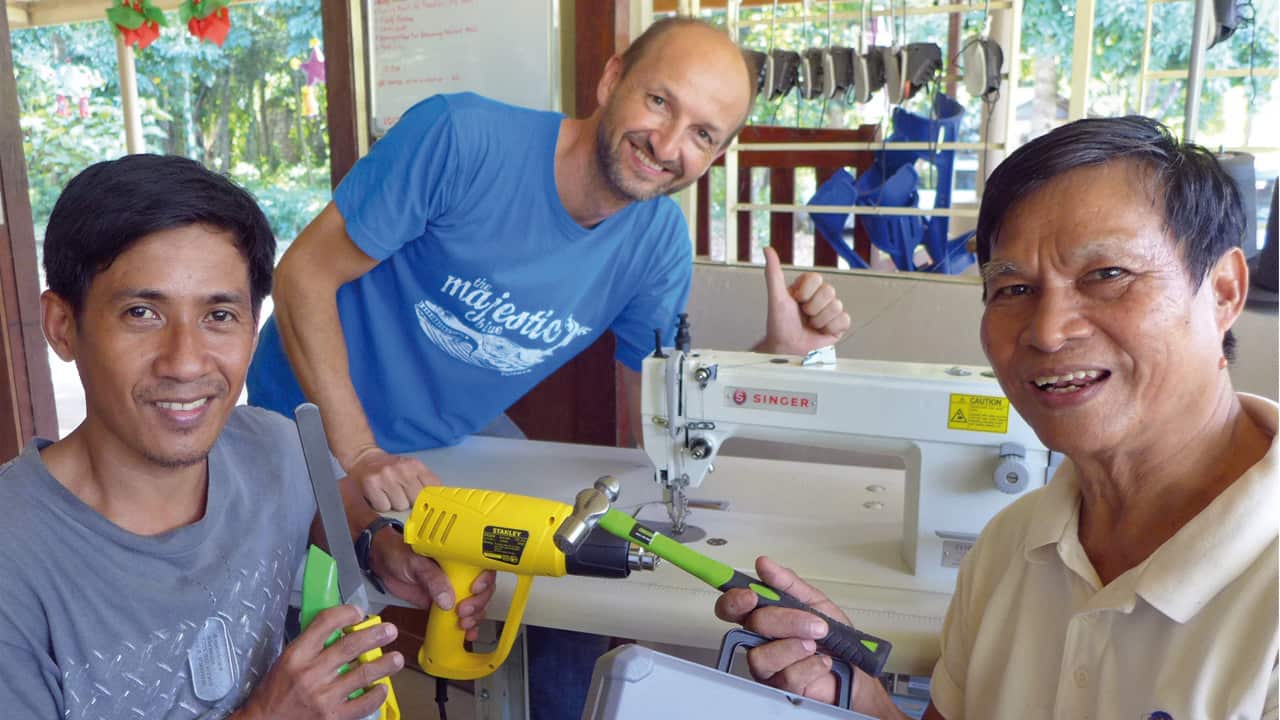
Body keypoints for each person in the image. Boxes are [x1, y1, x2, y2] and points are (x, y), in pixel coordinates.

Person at [246, 17, 850, 719]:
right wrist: (359, 452)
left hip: (448, 436)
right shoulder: (459, 137)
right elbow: (302, 277)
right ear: (610, 77)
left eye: (703, 135)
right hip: (306, 415)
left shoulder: (656, 244)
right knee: (309, 640)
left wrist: (771, 361)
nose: (668, 143)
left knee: (571, 573)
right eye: (660, 102)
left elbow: (654, 420)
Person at [716, 116, 1278, 719]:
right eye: (1012, 289)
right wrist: (857, 697)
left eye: (1107, 275)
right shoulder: (1016, 544)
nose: (1047, 330)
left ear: (1223, 291)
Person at [0, 154, 493, 719]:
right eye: (142, 312)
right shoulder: (15, 563)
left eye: (219, 316)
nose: (186, 363)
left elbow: (326, 512)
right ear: (63, 327)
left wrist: (383, 550)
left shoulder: (273, 447)